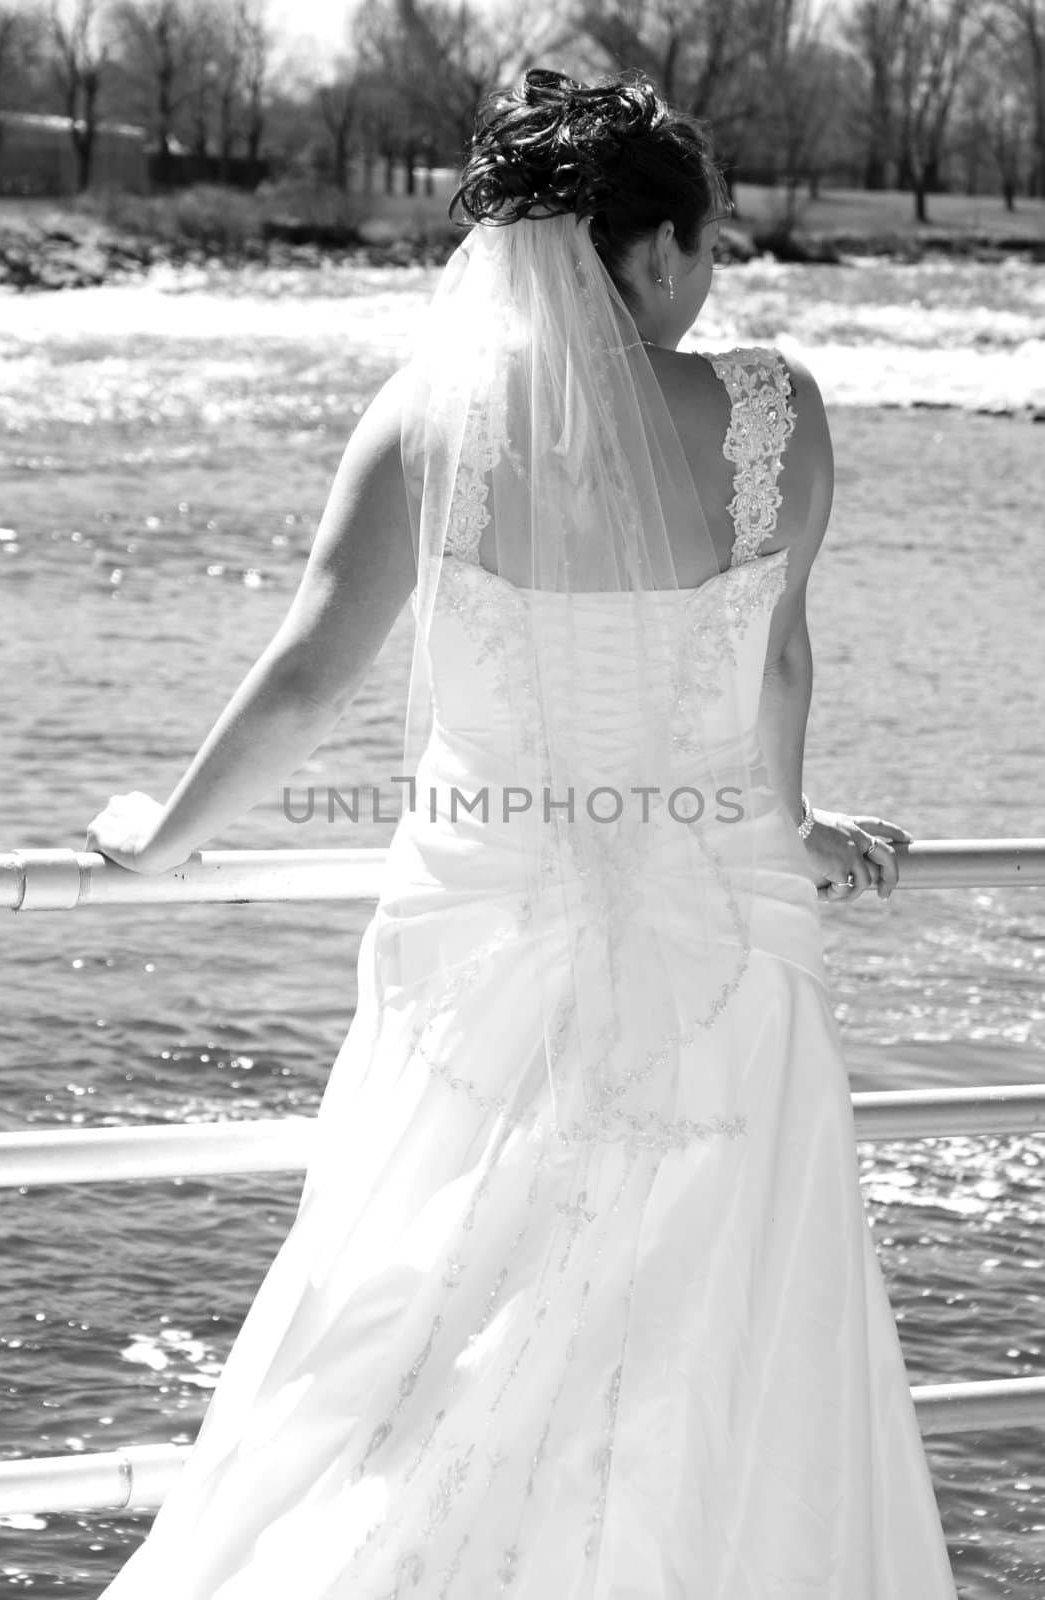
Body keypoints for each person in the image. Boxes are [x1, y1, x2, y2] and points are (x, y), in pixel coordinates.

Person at [89, 67, 957, 1600]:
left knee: (428, 1306)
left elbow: (306, 675)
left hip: (486, 930)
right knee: (714, 1329)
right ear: (661, 250)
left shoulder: (434, 420)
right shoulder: (776, 410)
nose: (710, 280)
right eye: (709, 247)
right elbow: (783, 659)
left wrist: (166, 838)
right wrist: (794, 818)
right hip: (729, 928)